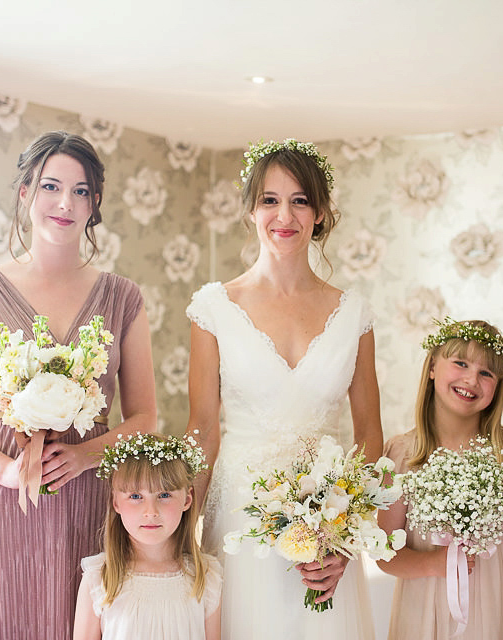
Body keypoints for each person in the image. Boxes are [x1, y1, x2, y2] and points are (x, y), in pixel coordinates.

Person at [0, 131, 157, 639]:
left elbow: (144, 418)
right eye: (51, 186)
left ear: (95, 204)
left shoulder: (123, 297)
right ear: (25, 193)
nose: (65, 202)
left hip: (88, 501)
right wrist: (7, 472)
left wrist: (86, 455)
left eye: (81, 191)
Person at [186, 139, 383, 639]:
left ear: (319, 213)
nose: (284, 215)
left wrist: (345, 536)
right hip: (239, 519)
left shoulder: (354, 313)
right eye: (270, 200)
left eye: (299, 200)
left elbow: (369, 437)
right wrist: (181, 535)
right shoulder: (215, 308)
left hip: (327, 520)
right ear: (252, 210)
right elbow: (203, 429)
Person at [377, 319, 503, 640]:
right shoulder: (402, 455)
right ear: (432, 367)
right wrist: (434, 562)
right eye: (460, 363)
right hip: (425, 618)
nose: (472, 379)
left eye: (487, 373)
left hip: (500, 617)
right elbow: (384, 552)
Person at [73, 432, 222, 640]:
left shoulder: (206, 577)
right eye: (135, 496)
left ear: (187, 500)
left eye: (164, 495)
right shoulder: (99, 579)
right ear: (116, 502)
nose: (150, 511)